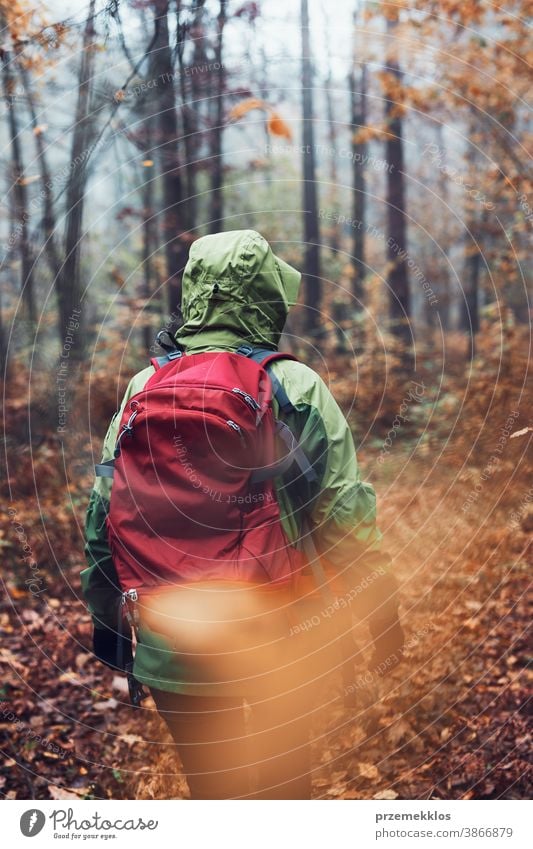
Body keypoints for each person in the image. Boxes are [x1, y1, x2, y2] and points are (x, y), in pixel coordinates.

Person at [82, 229, 404, 800]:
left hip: (172, 639)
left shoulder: (145, 384)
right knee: (286, 788)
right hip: (280, 632)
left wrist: (108, 623)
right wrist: (380, 614)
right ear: (268, 295)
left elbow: (103, 514)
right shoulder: (295, 386)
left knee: (214, 795)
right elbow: (344, 513)